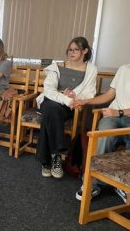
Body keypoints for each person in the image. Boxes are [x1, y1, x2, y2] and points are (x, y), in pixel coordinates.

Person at [74, 28, 130, 207]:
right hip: (113, 117)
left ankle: (125, 185)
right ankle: (92, 184)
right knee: (103, 134)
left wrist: (120, 112)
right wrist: (86, 101)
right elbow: (109, 95)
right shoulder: (124, 69)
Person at [36, 37, 97, 179]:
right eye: (70, 49)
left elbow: (90, 93)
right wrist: (65, 96)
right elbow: (49, 90)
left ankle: (46, 161)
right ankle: (57, 155)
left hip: (71, 105)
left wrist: (75, 95)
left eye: (76, 49)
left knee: (48, 117)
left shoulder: (91, 69)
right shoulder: (56, 67)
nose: (72, 52)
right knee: (51, 109)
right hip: (52, 100)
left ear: (85, 51)